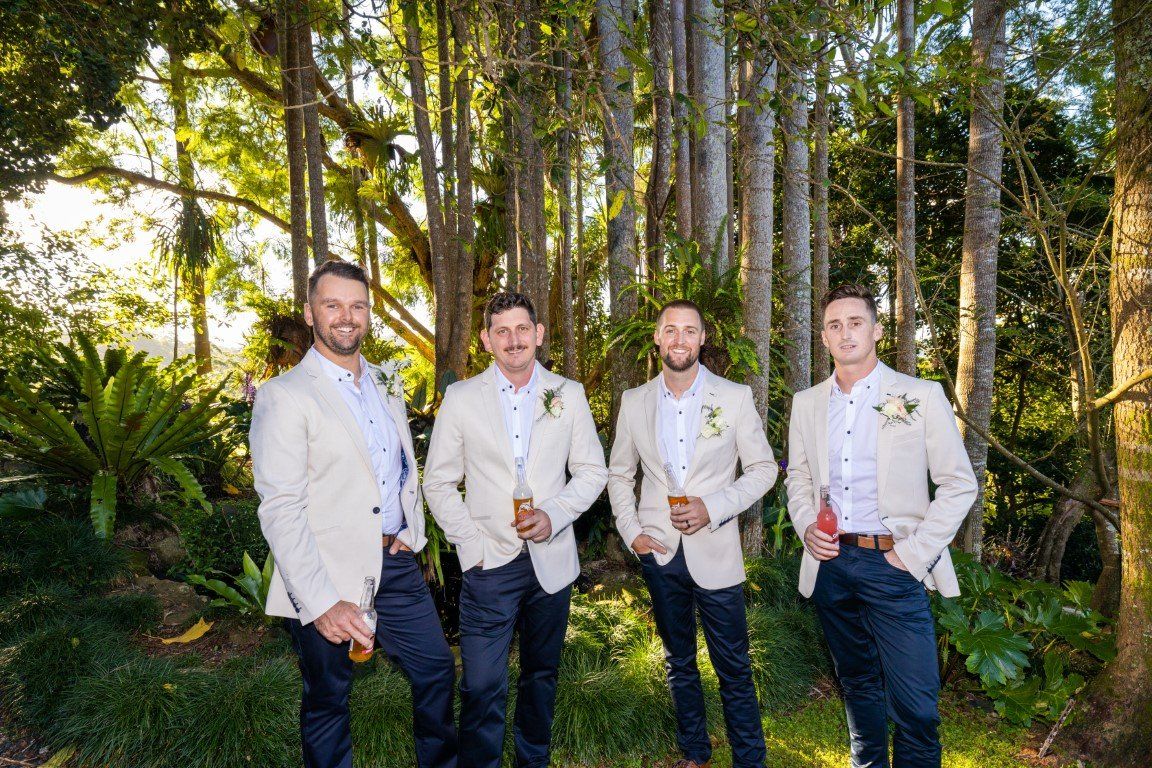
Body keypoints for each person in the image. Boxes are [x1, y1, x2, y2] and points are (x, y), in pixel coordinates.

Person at [250, 260, 457, 768]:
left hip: (396, 562)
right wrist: (320, 603)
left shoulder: (386, 382)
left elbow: (403, 465)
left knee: (436, 670)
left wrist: (411, 529)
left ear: (368, 314)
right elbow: (280, 509)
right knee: (327, 700)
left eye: (358, 306)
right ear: (310, 312)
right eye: (333, 304)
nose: (347, 316)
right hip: (328, 572)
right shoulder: (284, 396)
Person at [785, 283, 977, 768]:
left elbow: (959, 486)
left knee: (915, 705)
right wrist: (807, 524)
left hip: (895, 565)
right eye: (834, 325)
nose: (845, 333)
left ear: (876, 329)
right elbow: (801, 479)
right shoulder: (806, 404)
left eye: (855, 323)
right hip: (831, 563)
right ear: (824, 337)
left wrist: (909, 557)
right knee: (857, 688)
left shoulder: (919, 395)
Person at [423, 291, 608, 768]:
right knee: (482, 684)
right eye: (501, 331)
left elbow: (592, 472)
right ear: (486, 339)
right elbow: (438, 481)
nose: (513, 340)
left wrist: (555, 514)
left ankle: (533, 761)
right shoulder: (461, 398)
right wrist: (473, 545)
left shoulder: (569, 394)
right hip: (490, 565)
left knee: (541, 676)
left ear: (539, 334)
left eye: (522, 329)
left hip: (552, 562)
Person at [607, 299, 778, 768]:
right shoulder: (634, 401)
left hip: (717, 550)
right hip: (660, 553)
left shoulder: (735, 396)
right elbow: (619, 474)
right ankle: (695, 754)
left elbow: (764, 469)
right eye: (671, 330)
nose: (680, 339)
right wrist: (632, 532)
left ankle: (749, 760)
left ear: (703, 339)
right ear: (658, 338)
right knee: (678, 661)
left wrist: (715, 507)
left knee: (734, 667)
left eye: (690, 331)